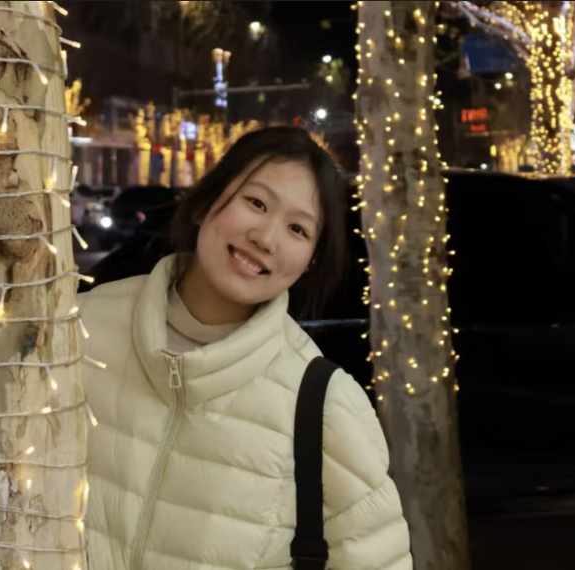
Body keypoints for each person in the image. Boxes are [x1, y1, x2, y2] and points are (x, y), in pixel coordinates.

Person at [79, 127, 412, 570]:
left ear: (310, 260)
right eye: (256, 203)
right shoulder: (81, 328)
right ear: (206, 202)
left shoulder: (322, 403)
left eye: (297, 228)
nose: (266, 238)